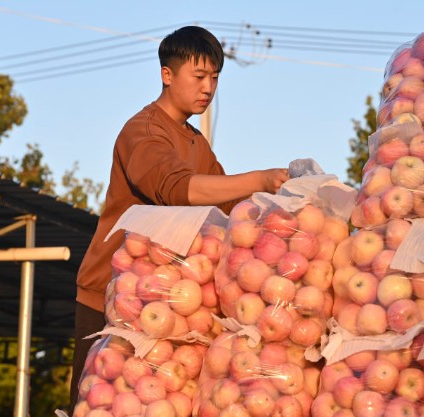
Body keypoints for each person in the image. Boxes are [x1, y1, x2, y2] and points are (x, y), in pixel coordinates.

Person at [68, 25, 288, 412]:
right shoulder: (143, 131)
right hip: (113, 297)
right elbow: (176, 188)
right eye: (199, 76)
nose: (208, 88)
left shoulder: (195, 142)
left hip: (171, 300)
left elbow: (226, 205)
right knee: (101, 402)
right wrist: (259, 178)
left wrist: (280, 202)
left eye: (215, 78)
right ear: (167, 75)